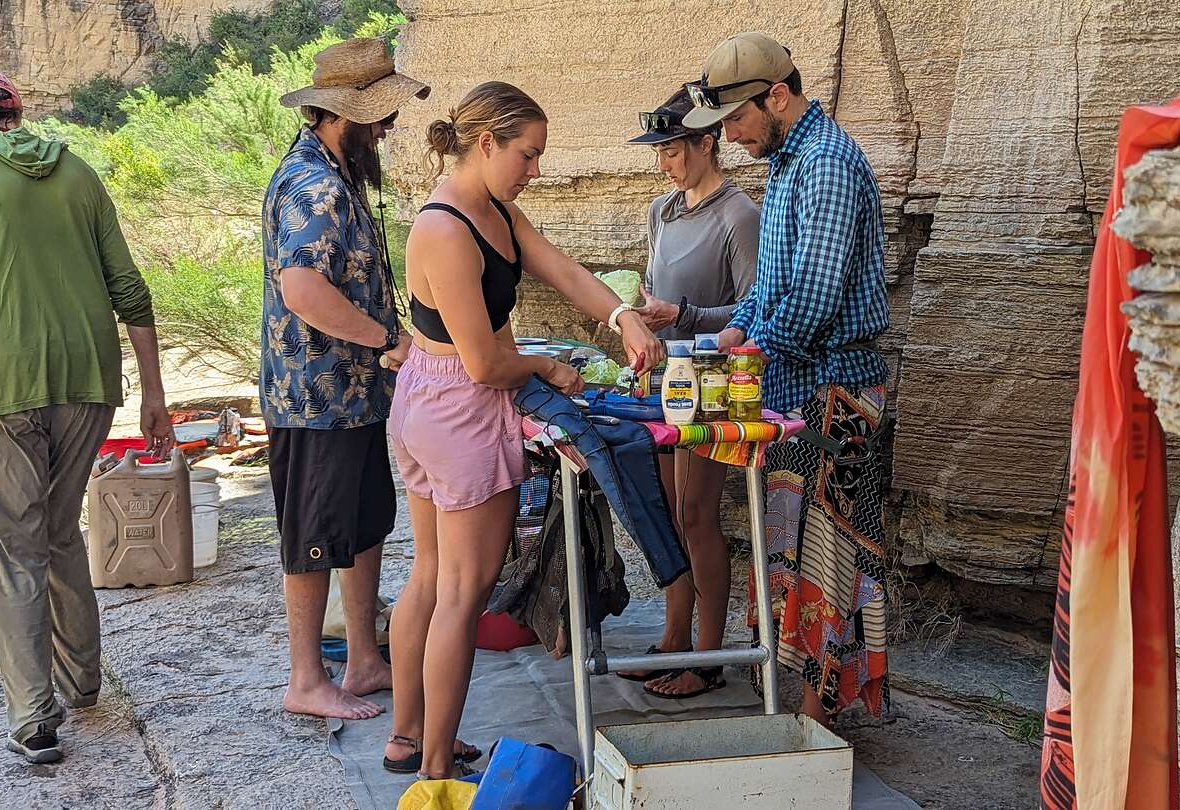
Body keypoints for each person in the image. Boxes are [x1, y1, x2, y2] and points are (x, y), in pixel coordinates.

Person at [381, 81, 663, 780]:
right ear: (487, 144)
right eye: (527, 155)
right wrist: (551, 367)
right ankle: (438, 770)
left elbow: (562, 269)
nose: (535, 170)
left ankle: (409, 736)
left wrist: (622, 317)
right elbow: (485, 364)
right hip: (457, 411)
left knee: (431, 576)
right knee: (460, 592)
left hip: (429, 404)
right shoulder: (445, 229)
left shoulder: (496, 210)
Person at [0, 68, 174, 763]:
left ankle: (35, 716)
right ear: (16, 116)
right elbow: (129, 286)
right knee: (60, 527)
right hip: (86, 379)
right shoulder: (79, 174)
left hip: (1, 384)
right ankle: (84, 681)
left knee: (14, 548)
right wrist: (154, 394)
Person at [685, 32, 893, 723]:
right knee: (791, 554)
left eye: (737, 120)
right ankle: (799, 712)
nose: (733, 136)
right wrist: (735, 331)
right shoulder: (788, 160)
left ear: (777, 96)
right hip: (795, 386)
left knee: (826, 563)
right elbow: (773, 287)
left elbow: (816, 296)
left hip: (836, 390)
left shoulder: (827, 164)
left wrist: (748, 347)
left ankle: (812, 722)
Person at [262, 38, 427, 721]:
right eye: (382, 115)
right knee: (313, 537)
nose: (389, 126)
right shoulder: (316, 185)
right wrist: (387, 337)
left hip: (353, 396)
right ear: (343, 116)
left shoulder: (338, 173)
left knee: (361, 528)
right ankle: (306, 679)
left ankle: (362, 661)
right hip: (316, 398)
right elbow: (302, 288)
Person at [621, 88, 759, 699]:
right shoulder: (662, 211)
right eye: (659, 152)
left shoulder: (739, 215)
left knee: (701, 513)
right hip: (667, 372)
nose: (664, 164)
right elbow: (655, 286)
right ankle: (675, 638)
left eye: (673, 150)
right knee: (674, 512)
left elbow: (754, 311)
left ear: (708, 142)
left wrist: (684, 313)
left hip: (718, 377)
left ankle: (709, 655)